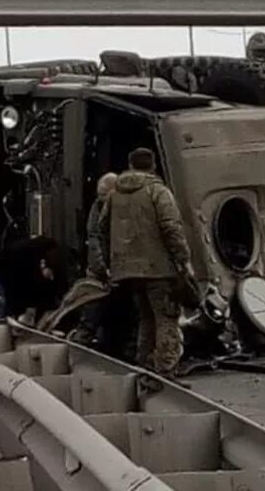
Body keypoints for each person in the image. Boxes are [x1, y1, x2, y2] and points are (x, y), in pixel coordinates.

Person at [100, 148, 195, 376]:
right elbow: (171, 227)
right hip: (158, 268)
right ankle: (165, 371)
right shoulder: (157, 191)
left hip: (126, 270)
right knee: (166, 318)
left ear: (130, 165)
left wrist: (111, 262)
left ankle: (144, 366)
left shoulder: (114, 195)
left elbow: (102, 230)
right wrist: (183, 260)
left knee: (145, 317)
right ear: (153, 166)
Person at [68, 172, 118, 346]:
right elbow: (94, 239)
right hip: (101, 270)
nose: (101, 198)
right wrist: (104, 267)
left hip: (116, 268)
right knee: (92, 307)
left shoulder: (120, 208)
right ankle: (83, 339)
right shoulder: (97, 208)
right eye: (99, 194)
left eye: (104, 194)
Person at [0, 235, 72, 323]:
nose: (51, 279)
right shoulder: (23, 256)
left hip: (21, 278)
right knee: (2, 305)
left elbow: (51, 297)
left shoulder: (56, 261)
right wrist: (20, 309)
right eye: (50, 275)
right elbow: (16, 288)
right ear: (43, 264)